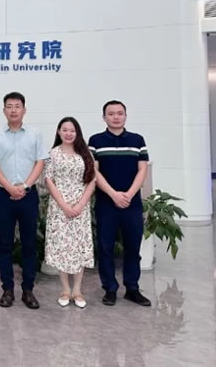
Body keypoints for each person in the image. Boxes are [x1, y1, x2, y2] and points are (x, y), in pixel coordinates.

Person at [89, 100, 151, 307]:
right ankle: (110, 289)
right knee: (105, 247)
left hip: (132, 204)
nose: (116, 117)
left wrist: (129, 194)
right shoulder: (96, 141)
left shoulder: (137, 140)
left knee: (133, 247)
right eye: (111, 114)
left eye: (120, 113)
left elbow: (142, 169)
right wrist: (113, 194)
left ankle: (132, 288)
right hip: (106, 203)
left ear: (125, 115)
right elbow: (93, 171)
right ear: (104, 117)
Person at [0, 92, 45, 309]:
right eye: (9, 106)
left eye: (17, 106)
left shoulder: (35, 134)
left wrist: (26, 186)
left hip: (28, 195)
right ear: (4, 111)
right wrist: (10, 187)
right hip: (4, 194)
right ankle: (7, 289)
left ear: (24, 110)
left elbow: (40, 162)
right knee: (5, 243)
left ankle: (28, 290)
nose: (13, 110)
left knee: (29, 243)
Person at [44, 117, 96, 309]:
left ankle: (77, 290)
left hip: (81, 208)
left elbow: (92, 180)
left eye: (72, 130)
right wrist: (64, 205)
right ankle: (65, 289)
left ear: (77, 133)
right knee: (62, 248)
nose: (68, 134)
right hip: (59, 208)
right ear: (59, 132)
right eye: (65, 130)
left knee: (78, 248)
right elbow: (49, 180)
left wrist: (81, 204)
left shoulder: (86, 153)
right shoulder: (53, 153)